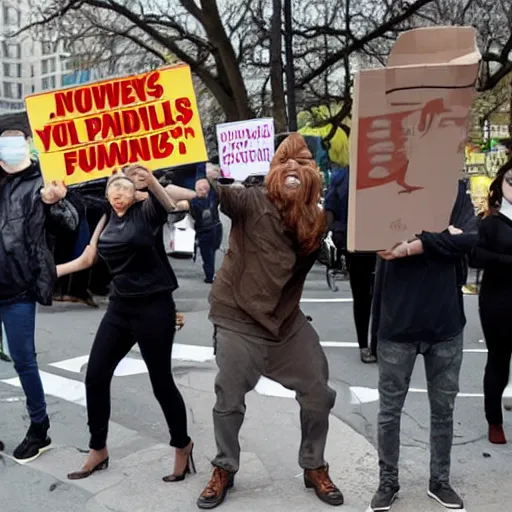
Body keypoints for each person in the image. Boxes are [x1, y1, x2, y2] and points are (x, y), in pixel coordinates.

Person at [196, 133, 344, 509]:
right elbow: (222, 194)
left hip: (286, 322)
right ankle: (224, 467)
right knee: (228, 397)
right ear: (272, 170)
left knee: (317, 392)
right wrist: (207, 181)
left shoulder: (317, 218)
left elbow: (359, 219)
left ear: (315, 173)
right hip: (238, 319)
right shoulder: (252, 200)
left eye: (305, 161)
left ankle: (314, 465)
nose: (295, 167)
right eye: (285, 161)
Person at [59, 166, 193, 482]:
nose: (118, 197)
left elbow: (171, 203)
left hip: (154, 306)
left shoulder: (147, 211)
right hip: (120, 308)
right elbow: (88, 258)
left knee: (161, 384)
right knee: (94, 376)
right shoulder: (107, 216)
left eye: (124, 190)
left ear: (134, 191)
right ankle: (98, 449)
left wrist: (149, 181)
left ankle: (182, 445)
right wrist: (50, 272)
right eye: (113, 191)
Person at [368, 179, 477, 511]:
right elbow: (374, 240)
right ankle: (388, 482)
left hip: (444, 323)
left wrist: (412, 246)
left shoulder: (454, 190)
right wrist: (443, 238)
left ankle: (439, 481)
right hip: (397, 323)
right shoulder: (385, 189)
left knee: (443, 411)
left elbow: (470, 239)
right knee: (389, 412)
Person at [0, 128, 74, 462]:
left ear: (28, 148)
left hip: (19, 287)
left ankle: (39, 428)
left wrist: (54, 203)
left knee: (23, 360)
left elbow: (70, 223)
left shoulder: (44, 183)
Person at [471, 161, 512, 444]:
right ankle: (494, 420)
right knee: (499, 359)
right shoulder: (490, 221)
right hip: (499, 298)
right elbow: (475, 256)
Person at [324, 166, 377, 363]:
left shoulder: (341, 176)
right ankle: (371, 344)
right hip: (369, 240)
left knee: (362, 296)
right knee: (377, 295)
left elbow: (330, 209)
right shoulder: (344, 176)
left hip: (353, 241)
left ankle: (365, 345)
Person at [190, 172, 222, 284]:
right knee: (211, 252)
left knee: (207, 255)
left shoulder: (194, 202)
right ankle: (210, 274)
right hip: (216, 227)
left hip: (204, 230)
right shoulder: (212, 197)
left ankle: (209, 275)